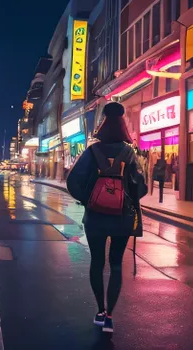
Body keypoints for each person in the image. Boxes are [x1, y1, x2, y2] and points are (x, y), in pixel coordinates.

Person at [66, 102, 147, 335]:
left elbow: (73, 182)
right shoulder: (129, 153)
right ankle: (110, 315)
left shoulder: (92, 152)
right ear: (123, 126)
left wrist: (88, 200)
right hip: (121, 218)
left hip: (96, 218)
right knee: (116, 264)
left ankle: (99, 311)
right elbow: (140, 187)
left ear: (103, 124)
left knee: (96, 263)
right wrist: (125, 198)